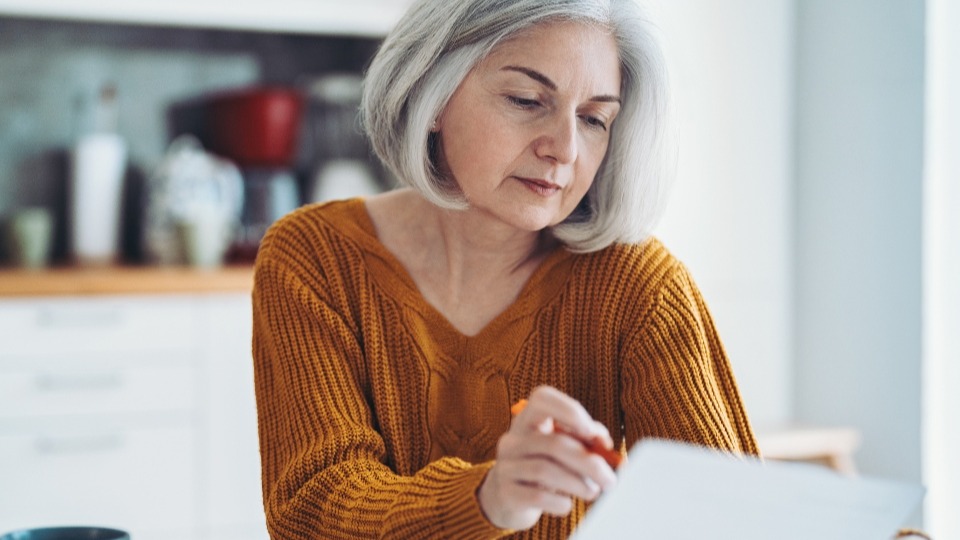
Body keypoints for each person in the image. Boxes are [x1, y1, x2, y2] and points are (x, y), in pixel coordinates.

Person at [251, 0, 758, 538]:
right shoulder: (314, 257)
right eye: (526, 100)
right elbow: (312, 511)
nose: (563, 148)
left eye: (593, 119)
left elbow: (732, 519)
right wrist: (486, 499)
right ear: (433, 93)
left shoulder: (642, 287)